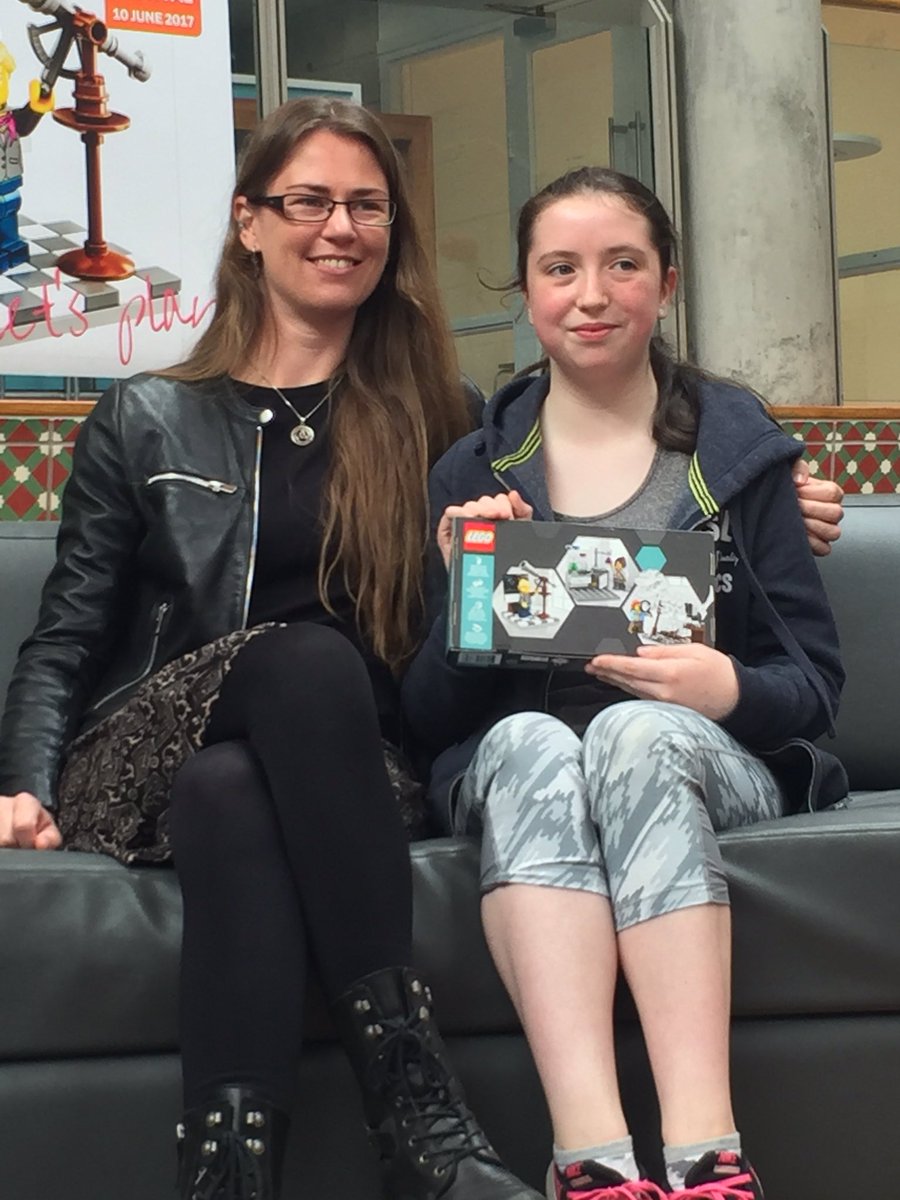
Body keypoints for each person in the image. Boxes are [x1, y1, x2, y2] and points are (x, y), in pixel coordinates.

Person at [0, 98, 547, 1200]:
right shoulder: (146, 416)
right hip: (147, 749)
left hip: (351, 769)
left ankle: (229, 1175)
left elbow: (604, 461)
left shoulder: (441, 414)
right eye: (309, 202)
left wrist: (766, 500)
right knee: (301, 663)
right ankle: (417, 1107)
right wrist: (22, 783)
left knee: (236, 789)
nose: (340, 227)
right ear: (249, 223)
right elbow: (68, 633)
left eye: (367, 207)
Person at [402, 166, 847, 1200]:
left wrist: (724, 688)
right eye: (560, 269)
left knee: (632, 734)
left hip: (700, 756)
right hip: (526, 768)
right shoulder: (473, 470)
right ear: (526, 290)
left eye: (623, 266)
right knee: (536, 741)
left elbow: (815, 686)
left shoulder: (740, 455)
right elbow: (425, 721)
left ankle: (708, 1157)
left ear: (667, 283)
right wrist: (470, 597)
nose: (591, 296)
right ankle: (593, 1162)